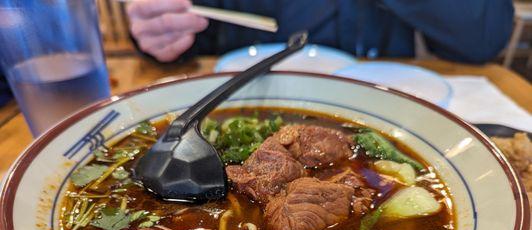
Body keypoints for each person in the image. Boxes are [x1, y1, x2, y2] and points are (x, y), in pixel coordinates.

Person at [126, 0, 514, 64]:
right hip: (243, 105)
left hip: (391, 112)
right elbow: (192, 26)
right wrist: (159, 30)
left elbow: (484, 35)